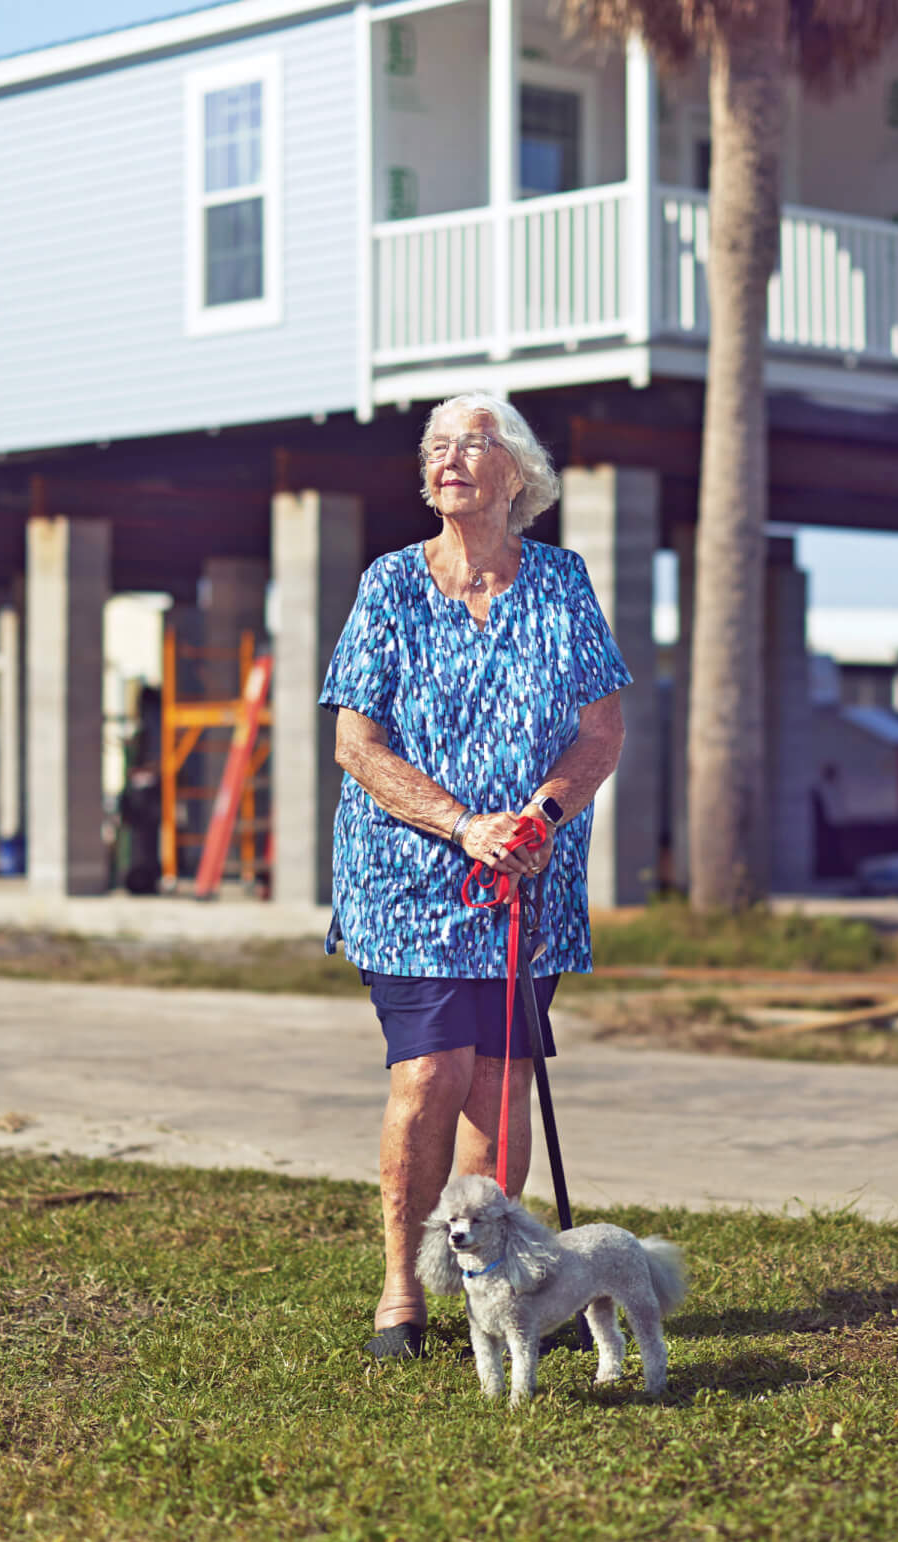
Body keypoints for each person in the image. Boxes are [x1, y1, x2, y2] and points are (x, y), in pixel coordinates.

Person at [319, 391, 629, 1360]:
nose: (452, 458)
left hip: (523, 880)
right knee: (428, 1072)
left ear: (516, 477)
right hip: (404, 874)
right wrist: (460, 823)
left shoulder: (562, 582)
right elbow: (354, 743)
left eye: (475, 444)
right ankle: (400, 1290)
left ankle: (498, 1296)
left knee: (497, 1087)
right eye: (437, 446)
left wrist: (536, 816)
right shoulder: (390, 584)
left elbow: (600, 730)